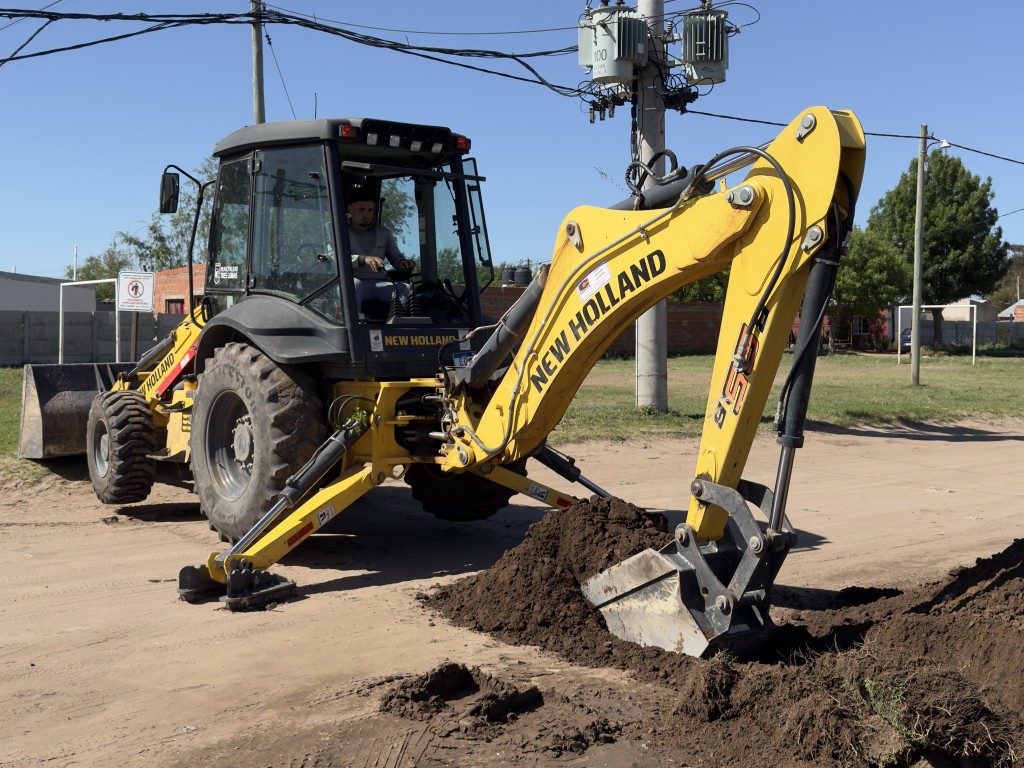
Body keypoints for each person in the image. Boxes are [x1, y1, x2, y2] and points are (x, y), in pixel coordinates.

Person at [347, 188, 415, 317]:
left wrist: (403, 263)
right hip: (354, 281)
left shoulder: (384, 233)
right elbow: (335, 258)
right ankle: (356, 324)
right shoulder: (339, 231)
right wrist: (363, 259)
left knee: (404, 288)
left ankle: (397, 325)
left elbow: (396, 258)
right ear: (350, 209)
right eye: (361, 210)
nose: (366, 215)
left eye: (370, 210)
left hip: (379, 283)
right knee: (354, 286)